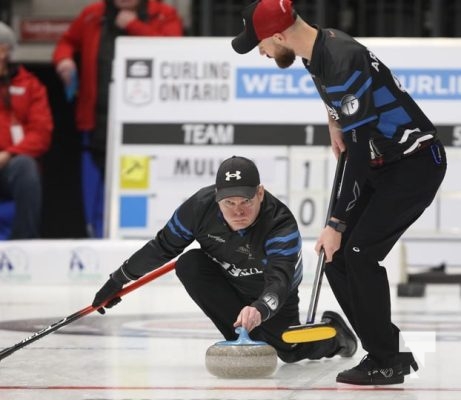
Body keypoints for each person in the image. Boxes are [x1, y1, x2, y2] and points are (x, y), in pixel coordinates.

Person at [231, 0, 447, 385]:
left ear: (279, 35)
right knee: (335, 257)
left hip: (414, 164)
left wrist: (336, 221)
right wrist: (335, 122)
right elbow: (340, 107)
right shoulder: (316, 51)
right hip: (385, 163)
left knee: (359, 253)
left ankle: (385, 360)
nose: (262, 52)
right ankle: (385, 351)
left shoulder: (342, 58)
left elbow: (360, 153)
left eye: (261, 44)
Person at [92, 155, 357, 364]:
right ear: (216, 196)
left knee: (288, 348)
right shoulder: (198, 208)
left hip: (269, 289)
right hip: (227, 279)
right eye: (229, 202)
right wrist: (119, 280)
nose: (238, 210)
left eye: (246, 200)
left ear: (260, 193)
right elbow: (161, 247)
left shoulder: (280, 224)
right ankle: (240, 339)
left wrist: (260, 308)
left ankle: (335, 334)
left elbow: (280, 281)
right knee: (189, 263)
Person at [53, 0, 183, 237]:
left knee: (140, 183)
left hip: (149, 121)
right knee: (99, 185)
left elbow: (174, 52)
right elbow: (67, 41)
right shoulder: (93, 14)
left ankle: (144, 238)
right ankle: (98, 235)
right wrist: (64, 59)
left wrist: (133, 25)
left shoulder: (164, 14)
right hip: (99, 118)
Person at [0, 22, 53, 239]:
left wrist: (9, 154)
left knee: (25, 167)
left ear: (4, 50)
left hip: (9, 164)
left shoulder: (30, 85)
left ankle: (24, 243)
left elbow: (41, 133)